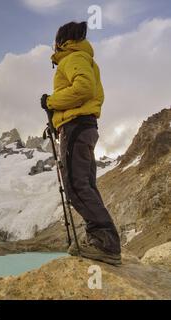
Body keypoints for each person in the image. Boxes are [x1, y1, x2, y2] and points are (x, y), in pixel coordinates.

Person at [42, 21, 121, 265]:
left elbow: (83, 88)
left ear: (62, 41)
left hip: (77, 128)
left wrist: (52, 102)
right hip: (83, 127)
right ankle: (98, 240)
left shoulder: (72, 58)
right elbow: (84, 92)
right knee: (85, 184)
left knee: (76, 187)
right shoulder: (82, 58)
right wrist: (56, 121)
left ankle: (105, 244)